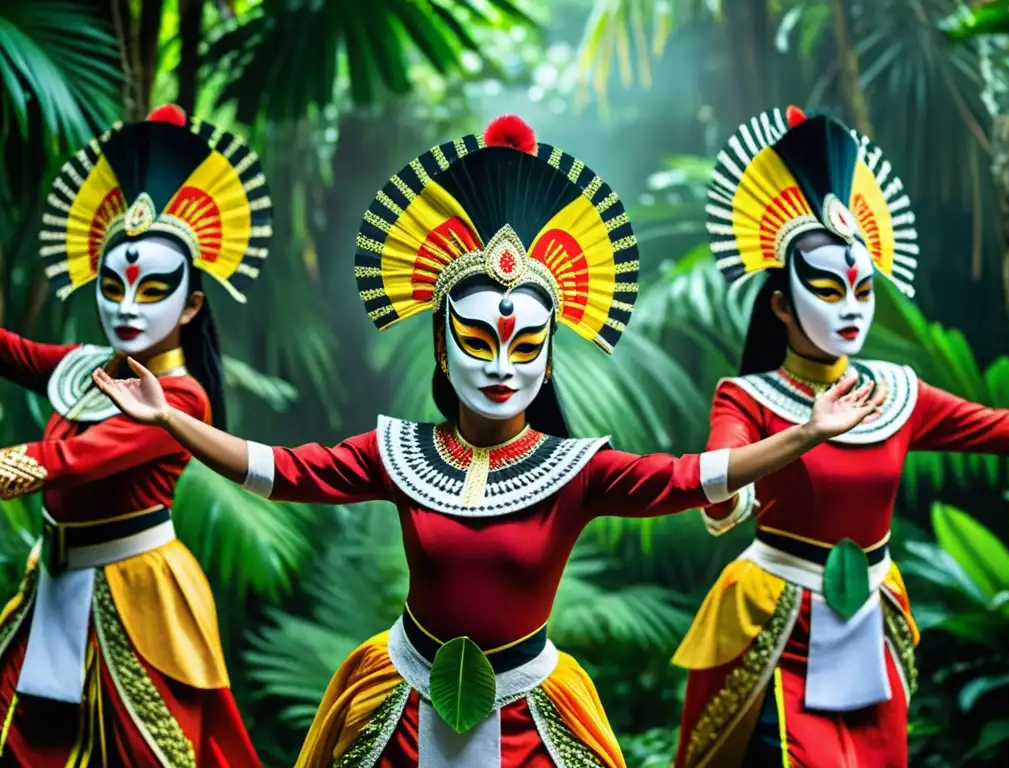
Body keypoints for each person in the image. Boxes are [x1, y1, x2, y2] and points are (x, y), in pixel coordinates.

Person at [94, 114, 876, 768]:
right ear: (440, 348)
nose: (502, 364)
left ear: (547, 357)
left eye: (525, 345)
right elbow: (279, 471)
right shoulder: (396, 452)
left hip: (531, 712)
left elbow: (691, 476)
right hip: (399, 699)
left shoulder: (578, 471)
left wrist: (804, 432)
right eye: (477, 338)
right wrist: (172, 419)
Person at [672, 105, 1009, 768]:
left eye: (862, 288)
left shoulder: (897, 391)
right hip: (777, 622)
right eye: (828, 288)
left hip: (870, 615)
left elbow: (1008, 430)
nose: (851, 307)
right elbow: (718, 483)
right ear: (780, 303)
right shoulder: (747, 396)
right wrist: (806, 433)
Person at [0, 104, 268, 767]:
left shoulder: (181, 398)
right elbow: (9, 351)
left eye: (152, 290)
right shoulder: (85, 366)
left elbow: (73, 460)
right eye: (114, 285)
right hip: (56, 582)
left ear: (192, 304)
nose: (126, 305)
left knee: (148, 753)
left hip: (137, 596)